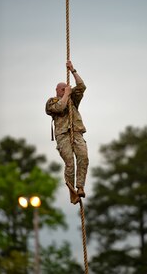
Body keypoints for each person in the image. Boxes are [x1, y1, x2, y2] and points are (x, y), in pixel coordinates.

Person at [46, 61, 89, 204]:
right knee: (70, 163)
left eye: (66, 88)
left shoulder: (72, 100)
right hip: (63, 135)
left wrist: (73, 70)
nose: (65, 90)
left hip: (76, 132)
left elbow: (82, 86)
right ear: (57, 90)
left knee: (83, 157)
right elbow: (59, 108)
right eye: (62, 89)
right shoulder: (51, 102)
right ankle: (72, 192)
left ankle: (80, 187)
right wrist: (66, 95)